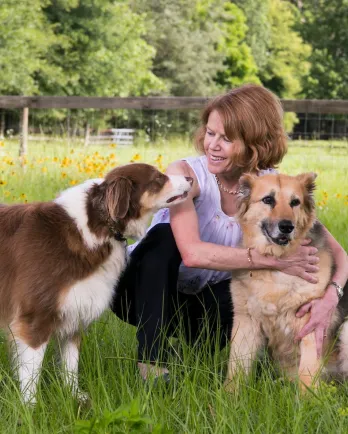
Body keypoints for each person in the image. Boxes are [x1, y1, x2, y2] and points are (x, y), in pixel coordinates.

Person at [111, 84, 348, 381]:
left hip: (207, 307)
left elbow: (339, 254)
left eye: (227, 139)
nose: (213, 145)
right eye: (211, 134)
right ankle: (151, 362)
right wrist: (275, 261)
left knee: (247, 292)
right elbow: (192, 253)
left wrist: (330, 297)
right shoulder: (187, 174)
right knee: (163, 238)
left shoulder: (268, 187)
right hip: (142, 293)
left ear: (255, 144)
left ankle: (202, 357)